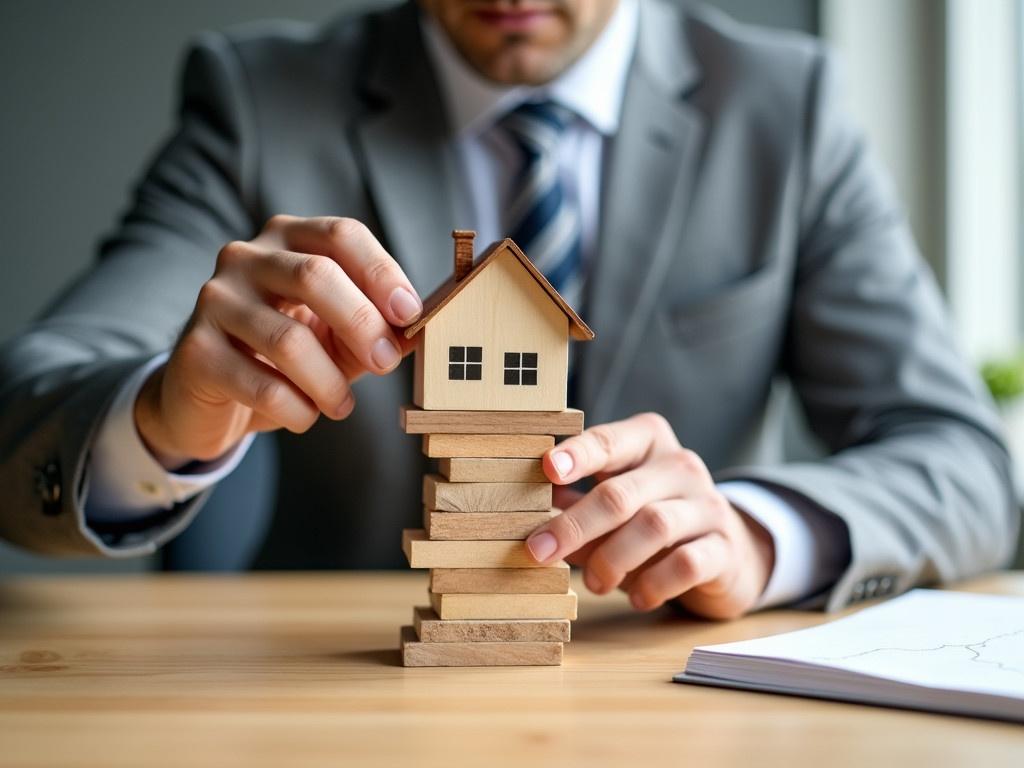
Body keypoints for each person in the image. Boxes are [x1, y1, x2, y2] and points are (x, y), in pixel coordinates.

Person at [0, 0, 1017, 618]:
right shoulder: (261, 97)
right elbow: (27, 417)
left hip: (675, 699)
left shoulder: (785, 106)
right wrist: (164, 421)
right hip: (344, 708)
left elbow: (965, 463)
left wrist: (751, 535)